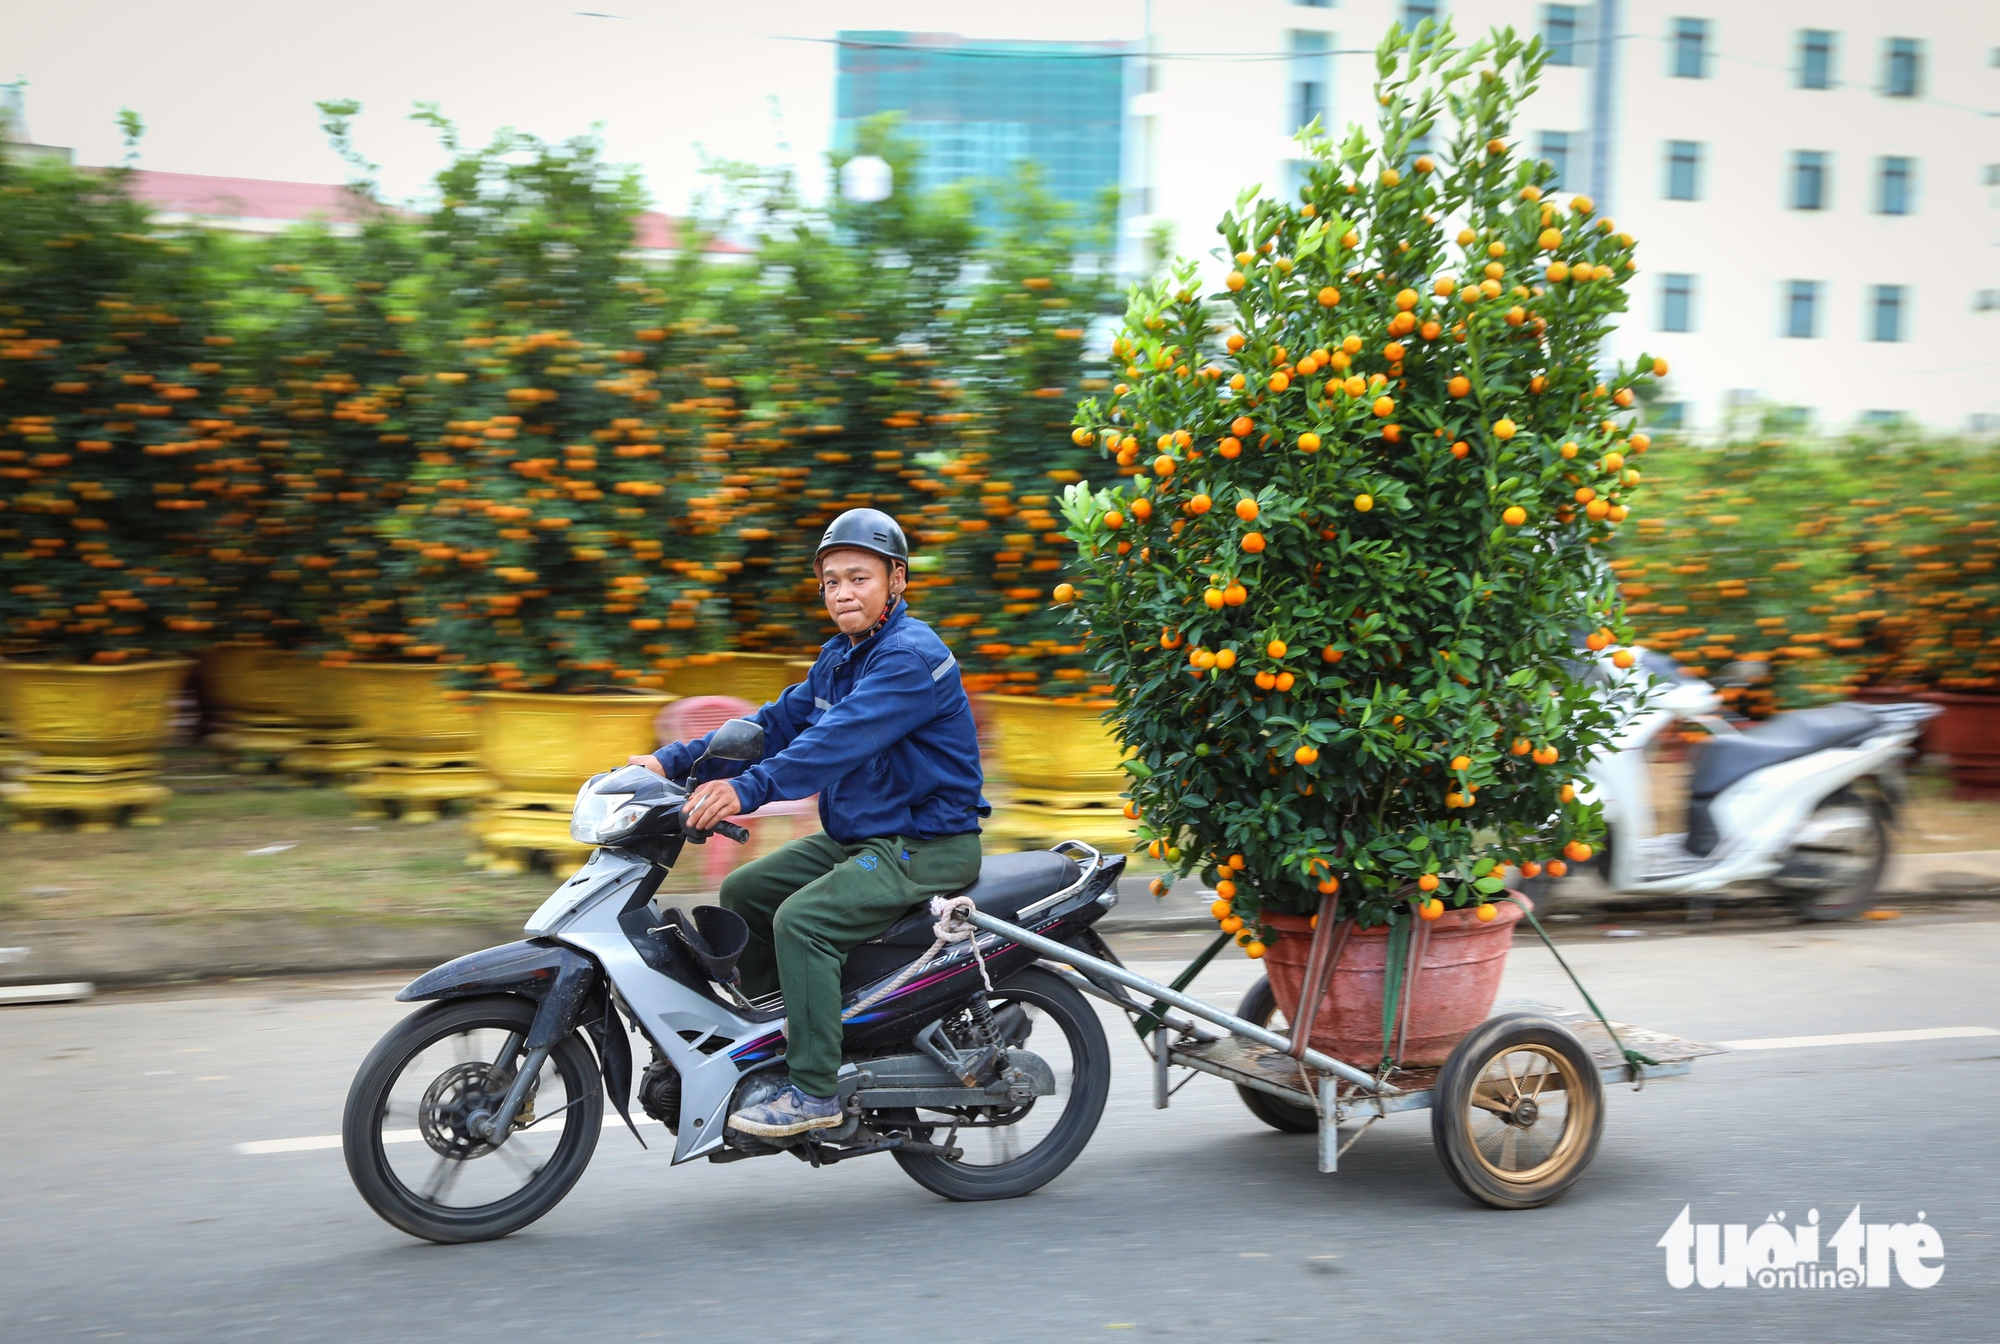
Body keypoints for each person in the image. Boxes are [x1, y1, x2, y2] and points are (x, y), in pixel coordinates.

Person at [630, 508, 987, 1138]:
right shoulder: (841, 657)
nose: (843, 593)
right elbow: (772, 724)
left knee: (803, 921)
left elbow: (831, 744)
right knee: (746, 890)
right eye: (831, 582)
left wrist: (745, 790)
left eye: (859, 578)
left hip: (926, 843)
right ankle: (779, 1034)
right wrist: (670, 760)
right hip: (863, 836)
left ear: (897, 580)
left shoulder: (908, 658)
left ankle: (815, 1090)